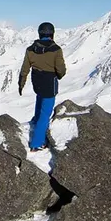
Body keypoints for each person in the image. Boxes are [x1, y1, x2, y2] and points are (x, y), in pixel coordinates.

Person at [18, 22, 67, 151]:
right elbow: (60, 69)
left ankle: (35, 121)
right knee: (45, 114)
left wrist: (21, 84)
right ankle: (37, 143)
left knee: (39, 100)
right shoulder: (56, 50)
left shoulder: (31, 49)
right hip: (49, 84)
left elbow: (24, 69)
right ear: (52, 34)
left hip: (37, 82)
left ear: (39, 34)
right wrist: (60, 75)